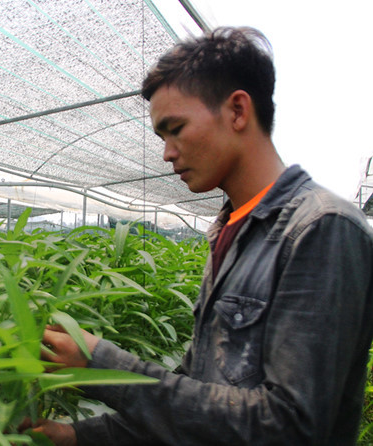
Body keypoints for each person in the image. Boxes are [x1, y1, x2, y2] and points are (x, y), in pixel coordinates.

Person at [22, 27, 373, 445]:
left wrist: (105, 367)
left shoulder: (320, 228)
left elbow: (289, 426)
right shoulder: (228, 232)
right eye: (162, 136)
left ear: (238, 110)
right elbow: (193, 398)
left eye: (176, 128)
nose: (167, 152)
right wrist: (75, 436)